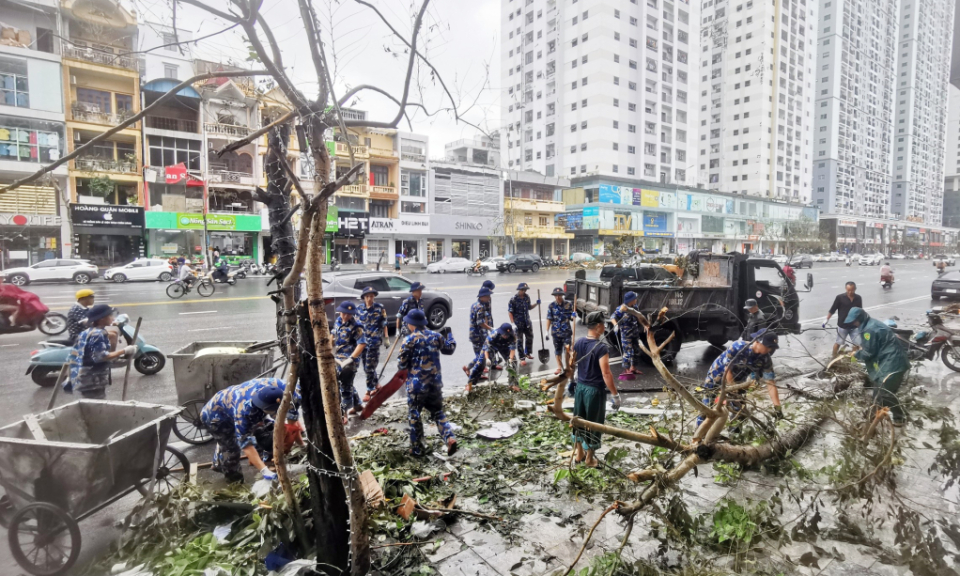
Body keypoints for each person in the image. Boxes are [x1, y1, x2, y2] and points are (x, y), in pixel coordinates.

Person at [199, 378, 303, 483]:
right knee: (231, 449)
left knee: (265, 431)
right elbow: (246, 444)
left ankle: (261, 458)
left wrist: (302, 446)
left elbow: (292, 423)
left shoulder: (289, 391)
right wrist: (264, 471)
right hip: (216, 417)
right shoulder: (244, 412)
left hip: (236, 405)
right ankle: (234, 479)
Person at [397, 309, 458, 456]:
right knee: (437, 412)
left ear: (412, 324)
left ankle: (417, 449)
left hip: (417, 386)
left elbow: (401, 364)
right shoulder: (436, 336)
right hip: (435, 384)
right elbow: (450, 348)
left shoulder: (409, 340)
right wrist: (449, 335)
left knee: (414, 415)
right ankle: (449, 437)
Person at [570, 311, 621, 468]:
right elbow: (606, 373)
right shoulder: (601, 348)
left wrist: (571, 380)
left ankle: (579, 454)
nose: (604, 328)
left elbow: (572, 364)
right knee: (594, 423)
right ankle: (589, 459)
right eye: (603, 325)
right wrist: (615, 395)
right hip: (594, 392)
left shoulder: (578, 343)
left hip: (580, 388)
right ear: (598, 326)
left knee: (578, 421)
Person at [700, 329, 782, 426]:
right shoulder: (738, 347)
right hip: (717, 377)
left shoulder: (765, 358)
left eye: (771, 348)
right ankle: (698, 438)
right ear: (757, 341)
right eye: (768, 346)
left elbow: (770, 383)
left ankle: (735, 436)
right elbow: (727, 370)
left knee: (740, 412)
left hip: (738, 382)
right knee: (707, 409)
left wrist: (777, 407)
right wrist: (733, 390)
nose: (769, 350)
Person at [844, 307, 909, 426]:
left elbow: (869, 353)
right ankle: (873, 415)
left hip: (893, 363)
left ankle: (900, 418)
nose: (853, 324)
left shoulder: (869, 330)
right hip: (888, 360)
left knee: (885, 393)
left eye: (854, 321)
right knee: (877, 390)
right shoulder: (870, 323)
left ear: (860, 318)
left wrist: (856, 354)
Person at [67, 304, 136, 398]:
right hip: (91, 379)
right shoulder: (97, 334)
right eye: (110, 315)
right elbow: (101, 357)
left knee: (92, 405)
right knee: (95, 406)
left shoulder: (89, 331)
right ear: (102, 319)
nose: (113, 318)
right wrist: (124, 351)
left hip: (86, 376)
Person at [332, 301, 366, 417]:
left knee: (344, 385)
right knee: (347, 382)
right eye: (344, 313)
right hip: (338, 358)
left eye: (349, 314)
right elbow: (333, 334)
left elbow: (362, 344)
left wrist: (351, 358)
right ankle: (358, 405)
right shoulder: (338, 320)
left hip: (350, 360)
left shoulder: (357, 326)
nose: (346, 316)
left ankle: (343, 413)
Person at [464, 323, 519, 393]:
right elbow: (486, 349)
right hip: (491, 346)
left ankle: (512, 384)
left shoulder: (513, 335)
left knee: (513, 362)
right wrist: (487, 359)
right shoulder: (494, 334)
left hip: (504, 346)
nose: (505, 336)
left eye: (506, 335)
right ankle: (470, 384)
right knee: (480, 363)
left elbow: (512, 349)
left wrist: (510, 359)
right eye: (504, 334)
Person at [357, 286, 390, 401]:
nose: (369, 299)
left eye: (371, 296)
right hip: (362, 343)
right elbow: (356, 325)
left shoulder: (379, 308)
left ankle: (369, 390)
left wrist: (386, 338)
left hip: (374, 342)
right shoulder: (359, 308)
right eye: (367, 296)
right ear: (363, 298)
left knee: (369, 367)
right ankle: (376, 384)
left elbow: (384, 323)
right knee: (367, 367)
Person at [824, 282, 863, 357]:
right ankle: (834, 357)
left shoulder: (858, 298)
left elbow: (860, 311)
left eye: (852, 290)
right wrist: (827, 319)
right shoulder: (840, 298)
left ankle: (854, 357)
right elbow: (833, 309)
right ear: (846, 289)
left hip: (854, 326)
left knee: (857, 343)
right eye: (848, 290)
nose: (850, 292)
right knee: (839, 342)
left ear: (855, 289)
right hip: (843, 326)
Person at [611, 292, 642, 378]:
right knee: (627, 352)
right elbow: (613, 317)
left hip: (635, 333)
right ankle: (626, 370)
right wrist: (615, 325)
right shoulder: (621, 309)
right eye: (635, 298)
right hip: (626, 335)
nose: (636, 300)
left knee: (636, 350)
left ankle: (633, 368)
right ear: (630, 300)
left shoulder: (635, 307)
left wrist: (645, 325)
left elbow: (638, 317)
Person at [545, 287, 575, 375]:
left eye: (559, 295)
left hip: (566, 332)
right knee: (557, 351)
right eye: (556, 295)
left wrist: (573, 315)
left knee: (568, 350)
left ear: (562, 295)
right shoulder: (551, 306)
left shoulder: (568, 305)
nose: (558, 297)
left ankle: (567, 366)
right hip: (556, 333)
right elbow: (549, 319)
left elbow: (571, 318)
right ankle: (559, 367)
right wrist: (546, 331)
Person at [508, 282, 540, 360]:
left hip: (527, 321)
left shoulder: (527, 297)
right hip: (518, 323)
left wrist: (536, 304)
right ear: (519, 290)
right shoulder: (513, 299)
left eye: (525, 290)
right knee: (519, 340)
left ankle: (527, 353)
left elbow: (529, 307)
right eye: (523, 290)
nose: (524, 291)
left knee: (530, 337)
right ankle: (522, 356)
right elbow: (510, 312)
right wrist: (513, 323)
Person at [468, 287, 494, 356]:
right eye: (488, 296)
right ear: (482, 297)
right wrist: (490, 328)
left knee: (484, 353)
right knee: (480, 355)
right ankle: (474, 366)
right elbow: (480, 323)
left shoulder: (476, 305)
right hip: (478, 335)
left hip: (476, 334)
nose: (489, 298)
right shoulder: (480, 307)